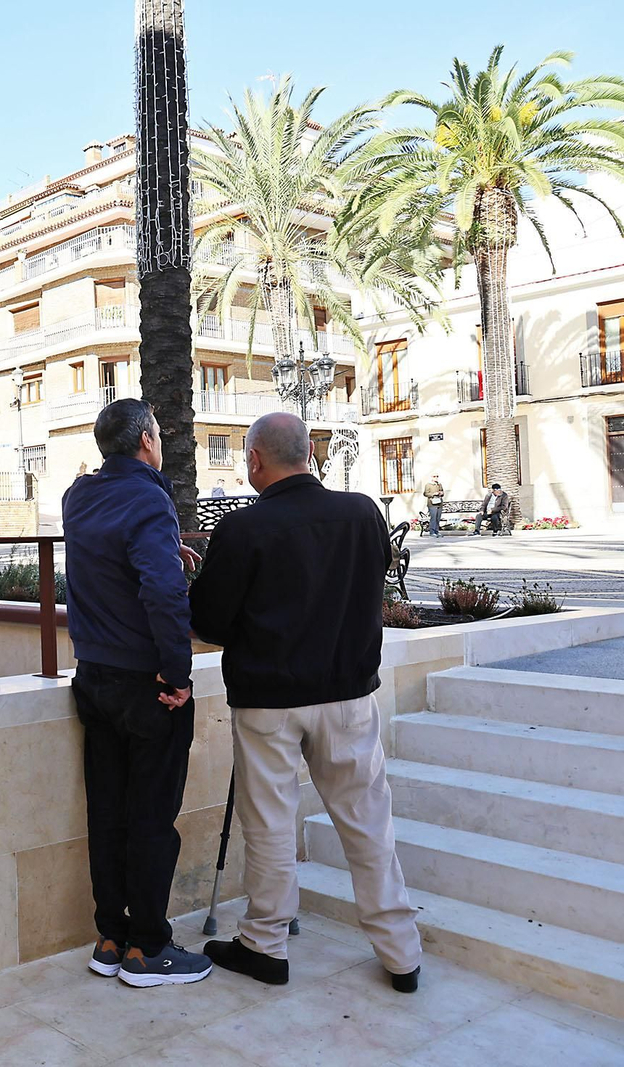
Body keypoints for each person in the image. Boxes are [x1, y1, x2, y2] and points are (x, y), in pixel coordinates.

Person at [188, 412, 422, 993]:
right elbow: (373, 580)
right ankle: (401, 954)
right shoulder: (364, 512)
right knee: (368, 822)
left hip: (269, 702)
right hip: (347, 696)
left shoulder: (241, 529)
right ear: (310, 454)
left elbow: (209, 624)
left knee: (269, 824)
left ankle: (264, 945)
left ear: (256, 460)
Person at [61, 398, 212, 988]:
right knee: (151, 817)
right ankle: (149, 947)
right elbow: (161, 595)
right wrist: (179, 675)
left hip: (94, 678)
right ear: (147, 441)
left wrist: (164, 552)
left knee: (109, 813)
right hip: (145, 687)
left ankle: (110, 937)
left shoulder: (79, 497)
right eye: (158, 433)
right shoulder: (150, 498)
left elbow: (106, 559)